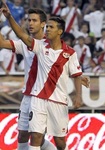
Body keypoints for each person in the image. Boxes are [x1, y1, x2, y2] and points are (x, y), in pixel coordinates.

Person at [0, 4, 85, 150]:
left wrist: (80, 83)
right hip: (33, 97)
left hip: (57, 99)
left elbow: (72, 71)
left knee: (59, 142)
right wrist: (4, 19)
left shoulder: (64, 51)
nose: (30, 23)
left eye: (34, 20)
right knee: (28, 135)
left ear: (44, 24)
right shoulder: (30, 44)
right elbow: (6, 41)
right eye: (29, 20)